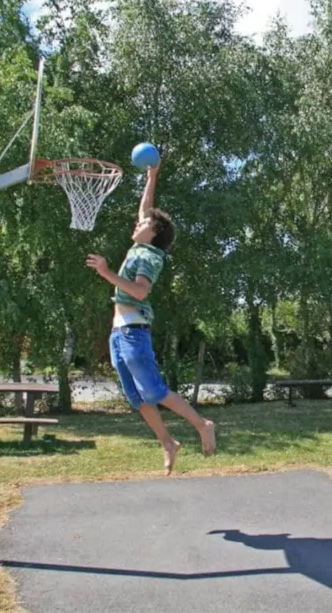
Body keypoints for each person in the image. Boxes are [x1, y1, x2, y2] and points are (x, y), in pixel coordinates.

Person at [85, 159, 216, 475]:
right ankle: (168, 443)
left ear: (154, 233)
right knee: (136, 398)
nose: (138, 222)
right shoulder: (142, 241)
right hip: (119, 332)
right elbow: (147, 208)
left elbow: (140, 291)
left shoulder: (149, 256)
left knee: (154, 391)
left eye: (143, 224)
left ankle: (203, 424)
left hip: (134, 331)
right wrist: (152, 176)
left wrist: (106, 272)